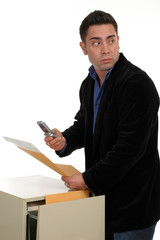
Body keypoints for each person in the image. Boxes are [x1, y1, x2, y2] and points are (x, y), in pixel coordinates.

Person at [45, 10, 160, 240]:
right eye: (96, 42)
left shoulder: (137, 84)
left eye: (111, 40)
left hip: (132, 207)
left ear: (118, 41)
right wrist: (64, 140)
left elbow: (129, 149)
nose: (105, 49)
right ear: (83, 47)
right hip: (101, 203)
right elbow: (86, 124)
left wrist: (87, 179)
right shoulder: (89, 84)